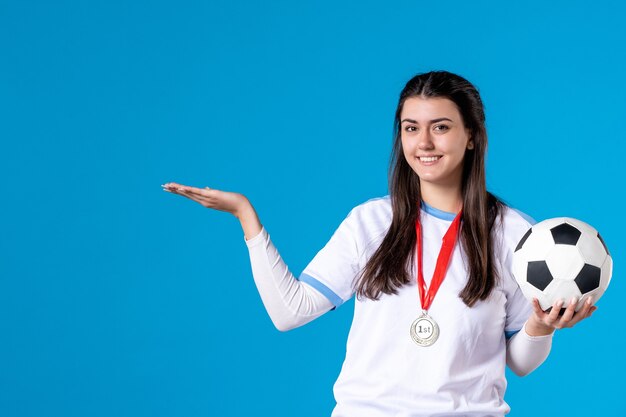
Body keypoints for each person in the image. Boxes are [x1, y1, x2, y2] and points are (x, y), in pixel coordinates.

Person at [162, 70, 596, 416]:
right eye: (411, 128)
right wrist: (246, 216)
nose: (423, 142)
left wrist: (541, 326)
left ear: (472, 136)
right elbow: (288, 312)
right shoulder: (370, 222)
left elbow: (519, 363)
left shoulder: (516, 234)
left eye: (440, 127)